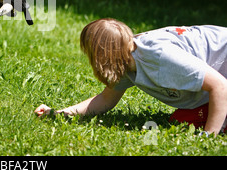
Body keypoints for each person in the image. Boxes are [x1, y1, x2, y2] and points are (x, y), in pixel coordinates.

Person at [34, 18, 227, 135]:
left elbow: (220, 87)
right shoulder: (124, 59)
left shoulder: (160, 56)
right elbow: (104, 100)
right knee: (182, 120)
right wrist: (60, 114)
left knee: (202, 121)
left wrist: (206, 140)